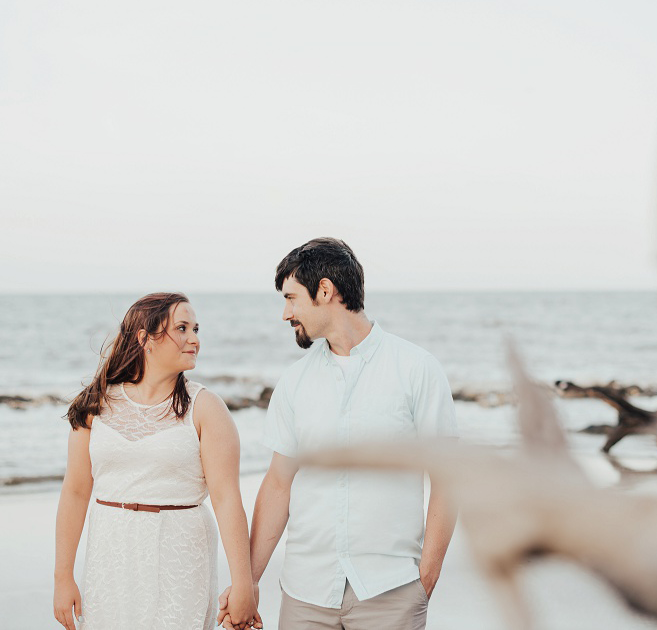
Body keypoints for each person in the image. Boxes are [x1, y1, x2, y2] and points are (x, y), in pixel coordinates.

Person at [219, 238, 459, 630]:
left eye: (292, 298)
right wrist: (250, 580)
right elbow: (279, 484)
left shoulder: (417, 369)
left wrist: (425, 581)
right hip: (305, 595)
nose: (286, 313)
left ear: (325, 290)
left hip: (391, 591)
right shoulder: (294, 382)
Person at [53, 292, 261, 630]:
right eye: (182, 328)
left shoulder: (206, 408)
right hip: (110, 554)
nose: (194, 339)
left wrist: (243, 585)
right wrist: (63, 577)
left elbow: (226, 500)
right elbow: (75, 491)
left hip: (180, 556)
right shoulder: (95, 404)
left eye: (196, 329)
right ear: (145, 338)